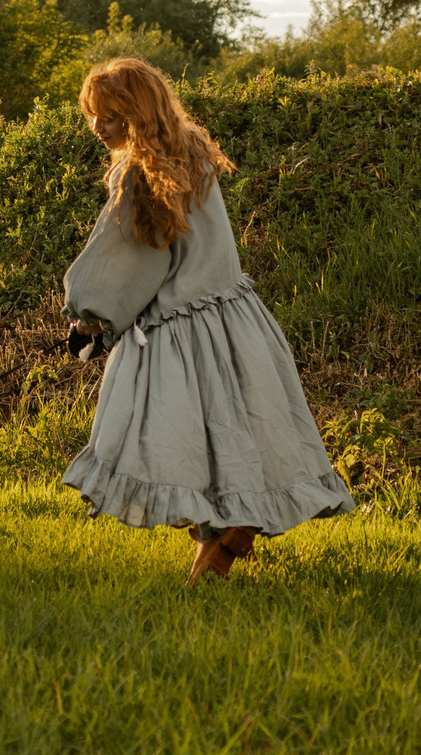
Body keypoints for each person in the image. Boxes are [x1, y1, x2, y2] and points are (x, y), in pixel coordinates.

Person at [61, 57, 354, 584]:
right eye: (93, 116)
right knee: (227, 433)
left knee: (168, 443)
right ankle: (222, 537)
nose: (97, 127)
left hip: (177, 332)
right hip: (233, 318)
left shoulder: (136, 176)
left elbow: (127, 260)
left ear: (135, 113)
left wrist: (88, 320)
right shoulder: (194, 153)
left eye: (108, 115)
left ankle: (217, 535)